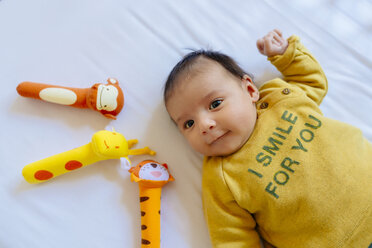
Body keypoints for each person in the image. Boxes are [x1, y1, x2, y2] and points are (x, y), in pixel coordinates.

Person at [163, 29, 372, 247]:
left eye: (215, 104)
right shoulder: (221, 177)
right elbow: (231, 236)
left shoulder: (278, 96)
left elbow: (313, 81)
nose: (205, 125)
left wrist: (285, 54)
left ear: (251, 90)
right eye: (189, 124)